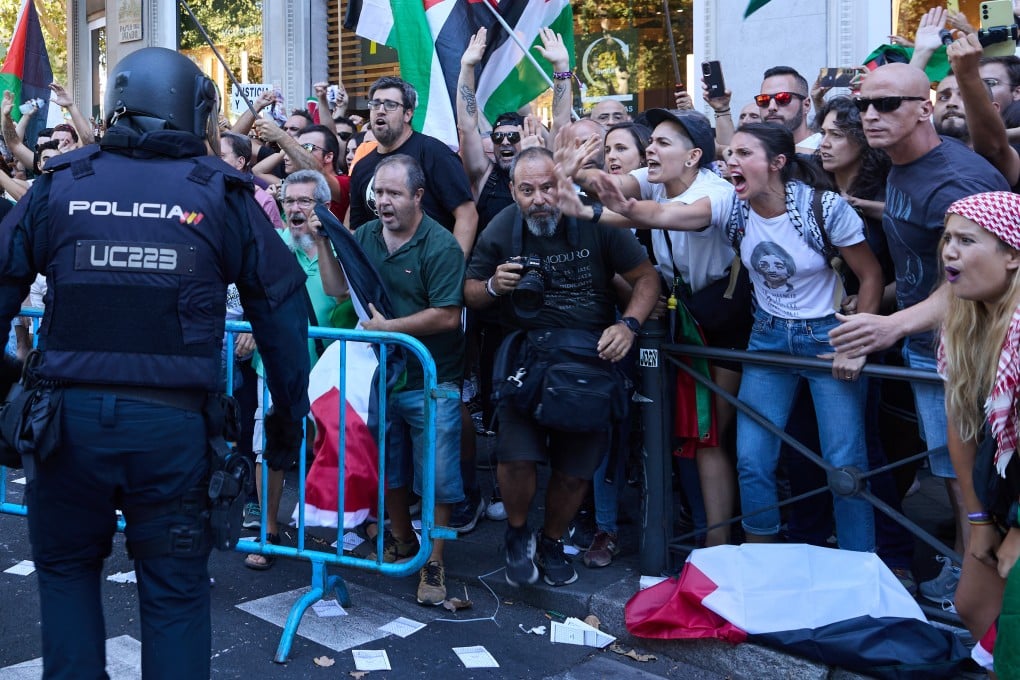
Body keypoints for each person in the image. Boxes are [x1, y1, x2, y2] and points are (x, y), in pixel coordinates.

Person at [0, 47, 309, 679]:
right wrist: (286, 423)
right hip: (172, 432)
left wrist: (8, 395)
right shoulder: (221, 193)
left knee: (66, 578)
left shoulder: (62, 182)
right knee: (175, 596)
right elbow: (282, 316)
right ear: (191, 109)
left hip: (65, 427)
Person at [829, 62, 1010, 603]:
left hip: (975, 349)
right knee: (953, 472)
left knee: (975, 477)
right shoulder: (900, 163)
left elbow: (974, 275)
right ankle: (968, 576)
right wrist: (885, 304)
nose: (870, 115)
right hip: (928, 345)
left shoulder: (960, 179)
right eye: (863, 104)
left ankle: (981, 593)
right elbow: (924, 256)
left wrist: (892, 323)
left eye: (887, 104)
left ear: (923, 109)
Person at [465, 146, 658, 587]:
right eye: (527, 190)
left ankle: (551, 541)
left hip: (589, 361)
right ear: (512, 191)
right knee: (515, 458)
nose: (539, 199)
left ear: (563, 185)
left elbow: (647, 278)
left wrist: (628, 325)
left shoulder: (594, 220)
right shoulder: (503, 226)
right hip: (525, 360)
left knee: (574, 472)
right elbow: (469, 291)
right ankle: (518, 534)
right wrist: (494, 285)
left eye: (548, 187)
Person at [318, 154, 466, 606]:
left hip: (430, 380)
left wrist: (389, 329)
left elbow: (447, 315)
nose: (383, 201)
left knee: (437, 476)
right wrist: (324, 241)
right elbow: (336, 289)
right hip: (382, 378)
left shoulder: (441, 245)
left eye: (393, 193)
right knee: (389, 465)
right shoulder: (364, 235)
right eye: (378, 192)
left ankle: (434, 560)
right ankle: (402, 540)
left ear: (418, 196)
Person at [937, 191, 1020, 674]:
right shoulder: (964, 323)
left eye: (967, 241)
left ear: (1013, 256)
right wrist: (979, 521)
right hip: (1001, 495)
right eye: (948, 239)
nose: (950, 252)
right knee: (973, 604)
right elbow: (961, 428)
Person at [348, 76, 477, 255]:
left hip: (430, 265)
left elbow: (467, 215)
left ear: (408, 114)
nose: (380, 111)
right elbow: (356, 228)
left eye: (390, 105)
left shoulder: (434, 153)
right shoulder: (361, 167)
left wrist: (452, 265)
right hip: (379, 268)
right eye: (375, 104)